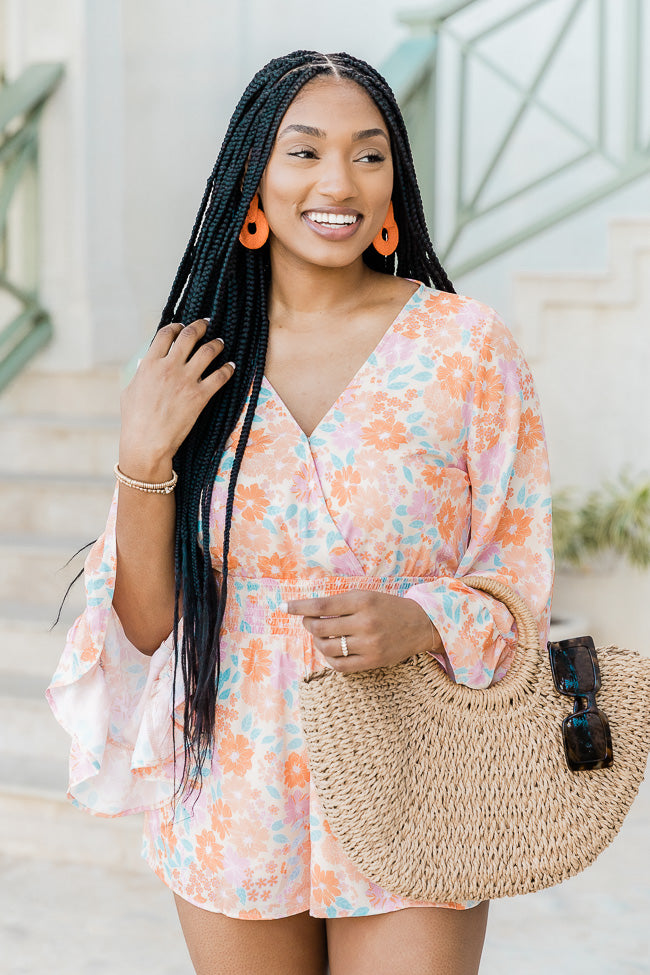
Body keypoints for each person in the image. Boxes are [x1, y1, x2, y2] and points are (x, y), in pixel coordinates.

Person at [46, 50, 554, 975]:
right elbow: (148, 624)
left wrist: (421, 618)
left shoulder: (465, 347)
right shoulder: (189, 362)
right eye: (304, 151)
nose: (338, 183)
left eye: (368, 155)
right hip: (233, 771)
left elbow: (520, 583)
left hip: (418, 764)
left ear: (395, 181)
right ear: (255, 180)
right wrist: (141, 457)